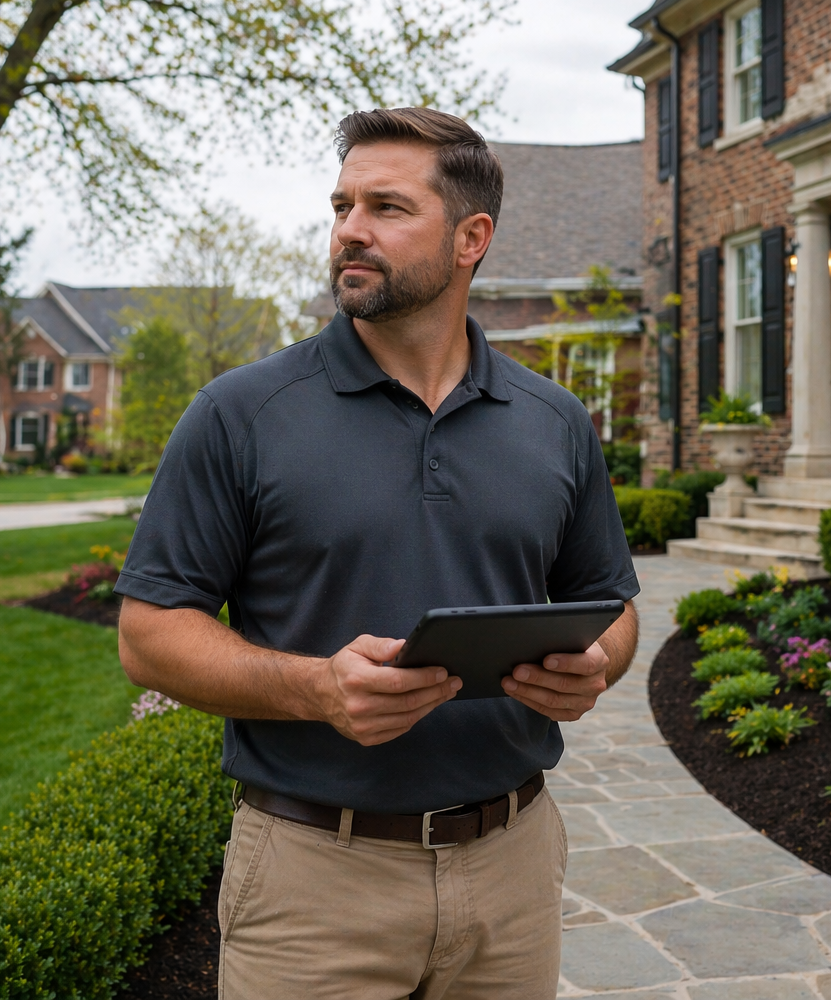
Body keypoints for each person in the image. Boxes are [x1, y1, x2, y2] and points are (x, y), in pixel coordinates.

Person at [115, 107, 641, 999]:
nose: (350, 229)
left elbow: (614, 604)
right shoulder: (241, 413)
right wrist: (317, 688)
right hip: (315, 884)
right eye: (342, 204)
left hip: (512, 874)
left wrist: (595, 664)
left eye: (387, 207)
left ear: (472, 237)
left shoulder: (554, 421)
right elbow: (149, 634)